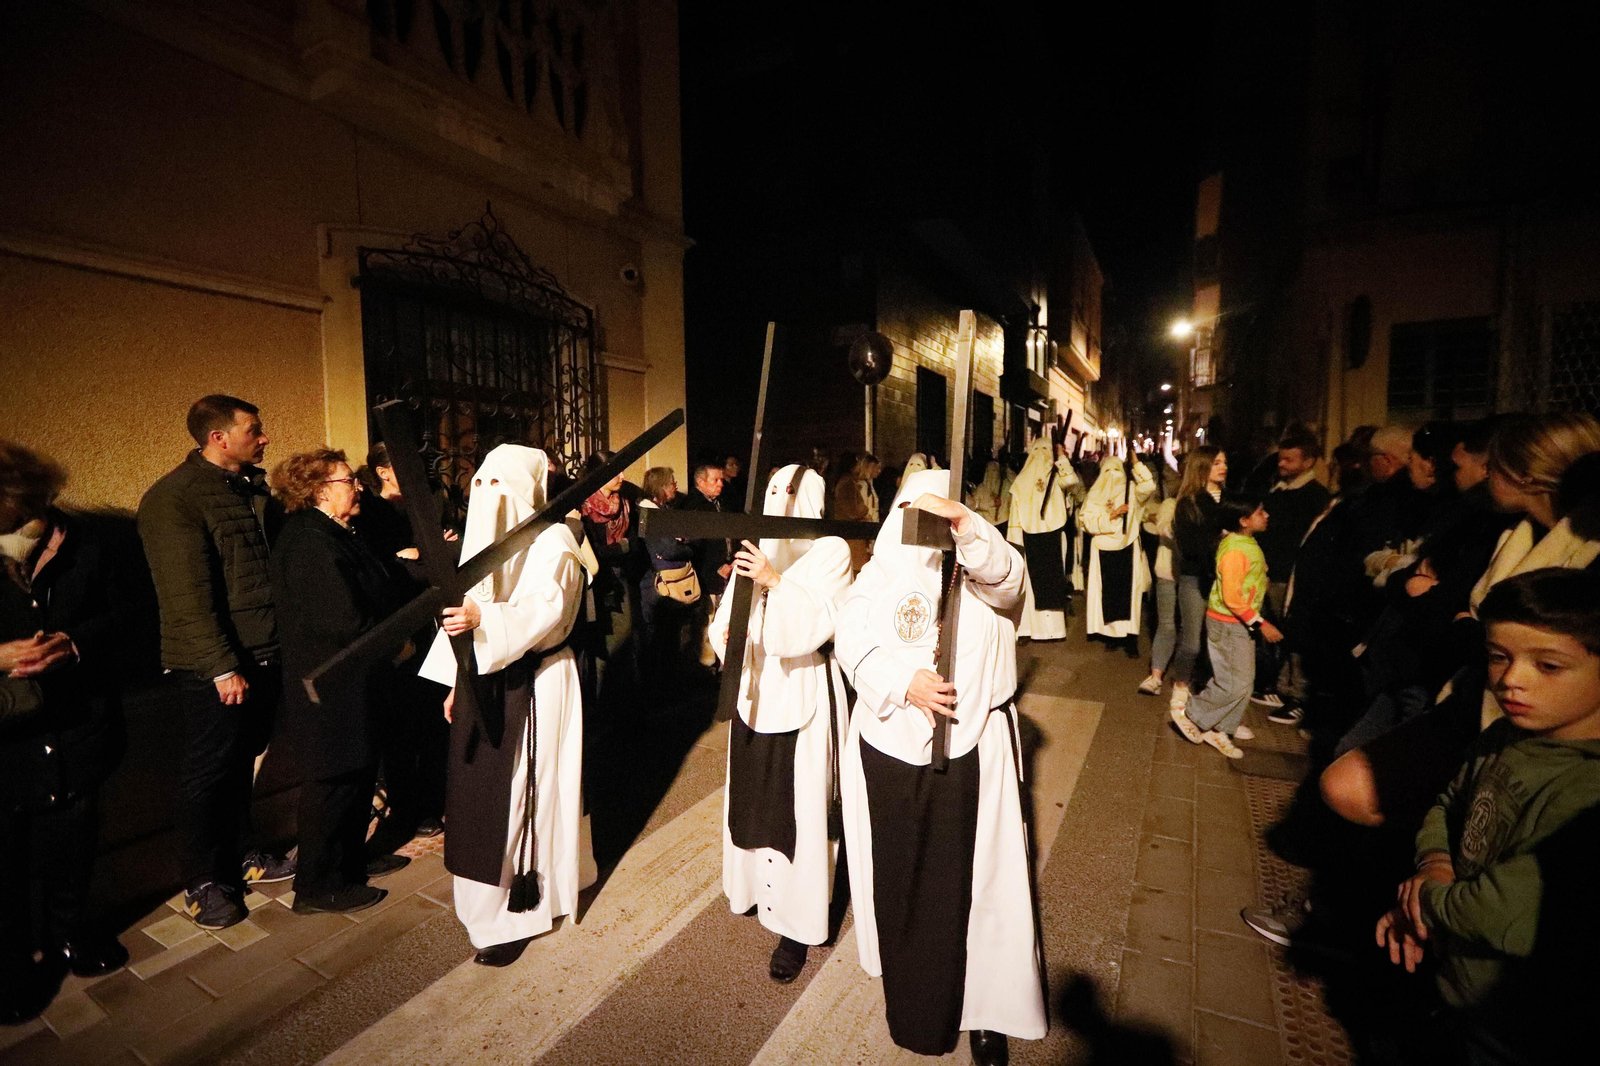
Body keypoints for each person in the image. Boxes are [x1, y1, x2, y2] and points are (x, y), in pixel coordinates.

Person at [836, 469, 1045, 1066]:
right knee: (907, 882)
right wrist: (902, 681)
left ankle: (986, 1010)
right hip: (892, 749)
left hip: (974, 749)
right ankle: (918, 1005)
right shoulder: (879, 574)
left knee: (979, 886)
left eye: (939, 515)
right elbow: (850, 635)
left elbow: (1011, 582)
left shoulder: (976, 570)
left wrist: (968, 530)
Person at [1374, 568, 1600, 1064]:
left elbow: (1503, 911)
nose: (1511, 680)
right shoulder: (1507, 736)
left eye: (1549, 666)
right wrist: (1434, 864)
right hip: (1452, 980)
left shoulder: (1587, 790)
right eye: (1500, 657)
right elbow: (1449, 803)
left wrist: (1422, 904)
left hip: (1516, 1026)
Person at [419, 445, 597, 966]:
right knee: (483, 794)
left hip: (539, 679)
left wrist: (483, 620)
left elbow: (545, 611)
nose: (489, 499)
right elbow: (466, 606)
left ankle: (525, 903)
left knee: (530, 791)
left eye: (502, 486)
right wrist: (458, 681)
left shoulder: (555, 540)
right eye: (482, 486)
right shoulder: (489, 539)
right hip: (487, 679)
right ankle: (489, 901)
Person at [137, 395, 293, 931]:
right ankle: (203, 881)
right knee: (208, 773)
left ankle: (242, 854)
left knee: (240, 764)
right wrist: (221, 667)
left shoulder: (249, 489)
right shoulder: (175, 499)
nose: (265, 438)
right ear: (218, 438)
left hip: (263, 652)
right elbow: (186, 595)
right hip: (216, 667)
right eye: (255, 429)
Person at [1, 442, 139, 1022]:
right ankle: (11, 966)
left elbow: (130, 615)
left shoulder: (91, 541)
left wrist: (75, 642)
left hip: (77, 723)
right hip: (7, 739)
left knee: (73, 837)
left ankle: (71, 935)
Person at [708, 465, 852, 983]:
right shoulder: (758, 543)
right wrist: (722, 635)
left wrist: (773, 580)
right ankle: (752, 890)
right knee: (751, 798)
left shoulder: (830, 551)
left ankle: (797, 924)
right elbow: (727, 613)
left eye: (785, 497)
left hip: (802, 693)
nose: (775, 506)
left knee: (800, 813)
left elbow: (809, 629)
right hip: (754, 691)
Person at [269, 450, 411, 915]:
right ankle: (318, 886)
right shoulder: (310, 539)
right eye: (349, 479)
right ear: (319, 489)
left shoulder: (336, 531)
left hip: (355, 683)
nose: (359, 487)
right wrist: (395, 642)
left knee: (357, 776)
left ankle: (350, 863)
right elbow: (341, 619)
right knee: (334, 784)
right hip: (331, 688)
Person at [353, 442, 451, 844]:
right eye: (402, 464)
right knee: (399, 728)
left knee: (430, 720)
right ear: (382, 471)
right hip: (393, 630)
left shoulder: (426, 501)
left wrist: (430, 553)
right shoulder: (369, 511)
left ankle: (429, 803)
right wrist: (410, 559)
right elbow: (378, 568)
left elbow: (437, 553)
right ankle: (404, 805)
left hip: (427, 625)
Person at [1171, 496, 1282, 759]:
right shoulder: (1235, 549)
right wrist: (1261, 623)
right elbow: (1232, 597)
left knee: (1243, 682)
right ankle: (1192, 714)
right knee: (1234, 682)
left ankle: (1221, 729)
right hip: (1229, 623)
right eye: (1259, 511)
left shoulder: (1244, 543)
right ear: (1243, 522)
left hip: (1238, 623)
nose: (1265, 515)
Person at [1252, 426, 1331, 717]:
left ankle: (1295, 696)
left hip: (1291, 576)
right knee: (1268, 633)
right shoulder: (1277, 489)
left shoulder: (1315, 496)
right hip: (1267, 573)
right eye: (1280, 459)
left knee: (1292, 636)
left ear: (1308, 462)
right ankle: (1272, 685)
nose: (1281, 464)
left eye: (1289, 460)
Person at [1080, 454, 1157, 655]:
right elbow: (1086, 521)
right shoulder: (1095, 494)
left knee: (1129, 594)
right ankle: (1111, 636)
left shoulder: (1131, 491)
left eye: (1116, 470)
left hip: (1127, 545)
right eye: (1108, 471)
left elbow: (1149, 485)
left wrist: (1137, 463)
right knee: (1108, 594)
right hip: (1103, 547)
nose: (1112, 476)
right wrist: (1110, 516)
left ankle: (1130, 638)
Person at [1006, 437, 1079, 641]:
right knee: (1032, 585)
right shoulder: (1022, 481)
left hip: (1052, 537)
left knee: (1052, 581)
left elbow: (1072, 480)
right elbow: (1015, 516)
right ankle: (1032, 630)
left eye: (1046, 451)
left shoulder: (1056, 477)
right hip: (1032, 539)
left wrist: (1062, 457)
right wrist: (1016, 544)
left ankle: (1054, 630)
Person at [637, 467, 697, 696]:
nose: (676, 486)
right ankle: (657, 692)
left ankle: (666, 688)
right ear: (661, 487)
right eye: (672, 482)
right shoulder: (649, 513)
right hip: (658, 585)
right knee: (658, 639)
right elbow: (668, 549)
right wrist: (686, 547)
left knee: (669, 637)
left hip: (667, 582)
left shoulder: (661, 511)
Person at [1138, 468, 1182, 695]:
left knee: (1191, 631)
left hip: (1196, 574)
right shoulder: (1171, 504)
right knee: (1167, 624)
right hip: (1169, 571)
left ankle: (1184, 680)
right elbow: (1164, 527)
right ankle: (1156, 675)